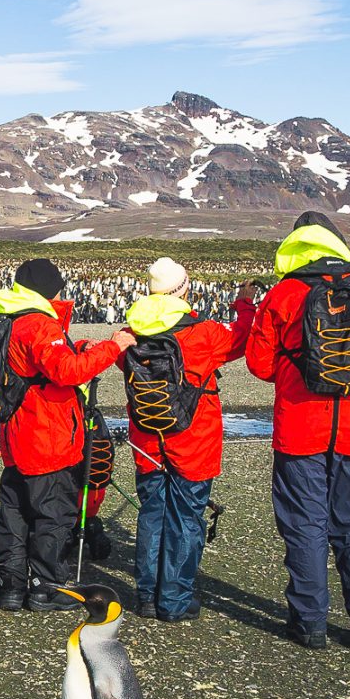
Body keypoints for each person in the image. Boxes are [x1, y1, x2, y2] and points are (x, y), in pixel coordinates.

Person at [246, 212, 350, 650]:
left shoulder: (283, 294)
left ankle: (309, 624)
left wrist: (295, 363)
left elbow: (259, 364)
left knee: (305, 527)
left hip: (299, 433)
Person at [0, 259, 134, 612]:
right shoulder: (38, 324)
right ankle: (46, 586)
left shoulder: (11, 320)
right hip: (47, 436)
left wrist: (81, 345)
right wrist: (113, 347)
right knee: (52, 515)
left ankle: (11, 585)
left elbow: (45, 361)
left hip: (19, 436)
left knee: (15, 513)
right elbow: (66, 371)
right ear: (47, 287)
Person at [118, 258, 257, 622]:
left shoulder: (131, 331)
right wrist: (244, 304)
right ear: (184, 290)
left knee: (152, 515)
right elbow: (243, 338)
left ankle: (147, 596)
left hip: (147, 439)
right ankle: (174, 600)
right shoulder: (205, 334)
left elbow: (120, 362)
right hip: (193, 441)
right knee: (185, 519)